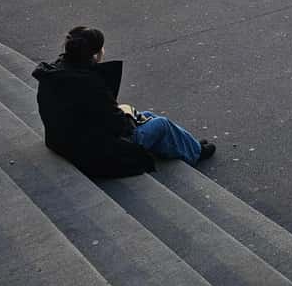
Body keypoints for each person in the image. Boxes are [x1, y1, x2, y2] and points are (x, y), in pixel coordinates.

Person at [33, 26, 215, 178]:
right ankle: (196, 152)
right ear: (96, 54)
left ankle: (190, 146)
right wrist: (125, 114)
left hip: (62, 140)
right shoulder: (90, 84)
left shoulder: (54, 73)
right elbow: (118, 125)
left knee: (145, 116)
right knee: (160, 124)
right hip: (94, 153)